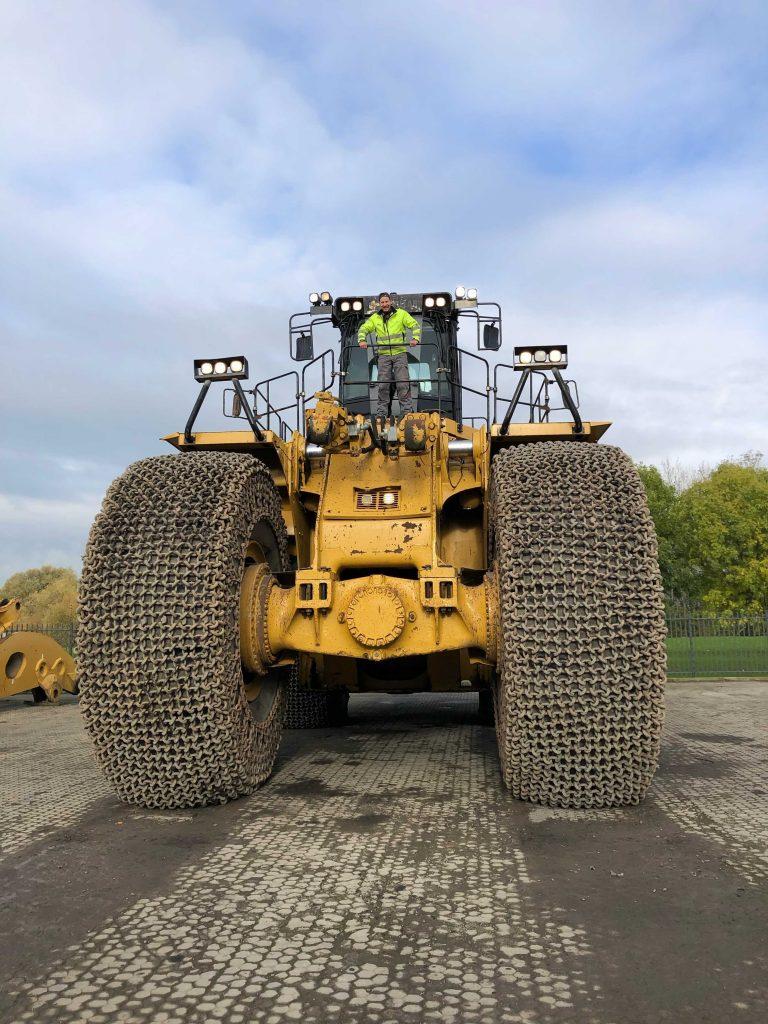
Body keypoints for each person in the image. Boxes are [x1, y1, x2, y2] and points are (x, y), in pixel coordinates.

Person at [357, 292, 420, 421]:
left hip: (399, 354)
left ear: (390, 302)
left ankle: (407, 411)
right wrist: (362, 340)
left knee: (402, 383)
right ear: (380, 304)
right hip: (383, 356)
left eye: (386, 302)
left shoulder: (401, 314)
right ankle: (382, 413)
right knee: (383, 385)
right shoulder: (375, 318)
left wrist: (415, 338)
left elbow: (415, 325)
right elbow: (363, 329)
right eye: (382, 302)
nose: (385, 304)